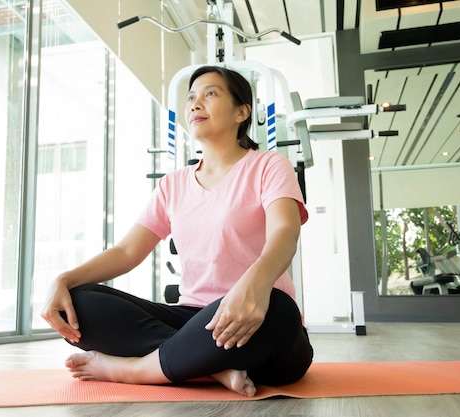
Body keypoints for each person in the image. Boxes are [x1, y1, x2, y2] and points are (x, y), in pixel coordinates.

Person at [41, 65, 313, 397]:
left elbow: (285, 231)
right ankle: (209, 368)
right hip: (192, 321)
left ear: (242, 112)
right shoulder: (173, 185)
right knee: (80, 302)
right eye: (191, 97)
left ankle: (133, 370)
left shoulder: (269, 165)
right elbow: (128, 252)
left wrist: (255, 285)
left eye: (210, 93)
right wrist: (63, 280)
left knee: (279, 309)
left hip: (255, 323)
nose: (196, 104)